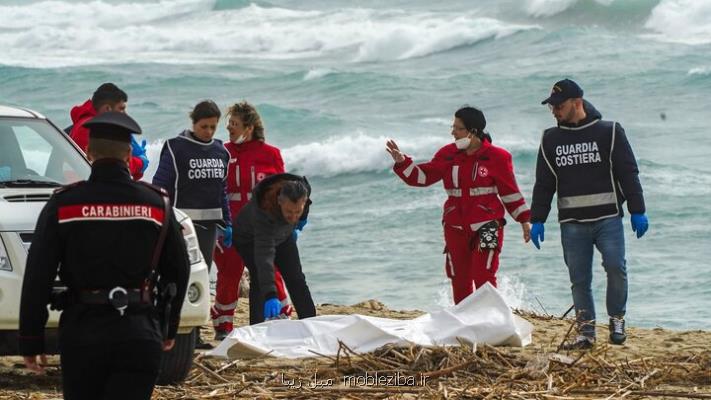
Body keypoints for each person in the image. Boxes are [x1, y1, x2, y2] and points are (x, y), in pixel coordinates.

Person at [19, 112, 190, 400]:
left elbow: (38, 275)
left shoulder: (64, 204)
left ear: (88, 152)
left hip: (83, 333)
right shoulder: (157, 203)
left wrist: (31, 339)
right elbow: (179, 269)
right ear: (127, 155)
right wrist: (168, 325)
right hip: (139, 331)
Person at [531, 79, 649, 350]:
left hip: (608, 218)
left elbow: (627, 172)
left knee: (616, 268)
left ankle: (617, 319)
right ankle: (585, 332)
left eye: (559, 106)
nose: (554, 111)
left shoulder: (609, 132)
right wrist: (537, 218)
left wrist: (637, 210)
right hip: (571, 224)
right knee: (579, 280)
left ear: (577, 102)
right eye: (551, 107)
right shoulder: (550, 139)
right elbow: (544, 182)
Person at [386, 106, 531, 305]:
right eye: (453, 127)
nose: (452, 132)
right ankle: (464, 323)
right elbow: (423, 177)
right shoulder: (447, 154)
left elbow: (510, 192)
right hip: (455, 227)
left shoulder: (498, 157)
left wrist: (524, 221)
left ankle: (491, 321)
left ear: (472, 131)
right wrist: (403, 163)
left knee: (484, 276)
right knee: (459, 279)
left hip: (489, 226)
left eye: (458, 128)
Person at [211, 101, 294, 339]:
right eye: (228, 125)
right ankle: (223, 326)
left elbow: (284, 192)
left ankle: (280, 318)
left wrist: (289, 224)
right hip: (229, 226)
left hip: (263, 226)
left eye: (234, 125)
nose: (229, 129)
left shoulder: (271, 154)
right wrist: (219, 224)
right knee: (229, 274)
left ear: (249, 128)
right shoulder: (222, 152)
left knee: (271, 269)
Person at [152, 100, 231, 270]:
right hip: (181, 224)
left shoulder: (221, 151)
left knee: (203, 271)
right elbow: (160, 185)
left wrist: (228, 223)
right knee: (180, 272)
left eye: (213, 127)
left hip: (209, 226)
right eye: (204, 126)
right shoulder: (176, 148)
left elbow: (222, 190)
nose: (208, 131)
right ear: (194, 123)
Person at [233, 173, 316, 325]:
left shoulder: (302, 191)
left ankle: (311, 323)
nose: (293, 217)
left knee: (296, 278)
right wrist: (271, 295)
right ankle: (257, 328)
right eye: (289, 212)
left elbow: (306, 202)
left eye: (297, 211)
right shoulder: (264, 211)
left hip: (283, 235)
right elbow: (264, 258)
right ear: (279, 202)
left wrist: (303, 217)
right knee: (259, 277)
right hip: (249, 238)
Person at [68, 83, 148, 180]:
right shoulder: (90, 128)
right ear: (107, 109)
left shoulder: (85, 123)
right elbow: (112, 165)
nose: (125, 114)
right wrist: (140, 162)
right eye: (121, 109)